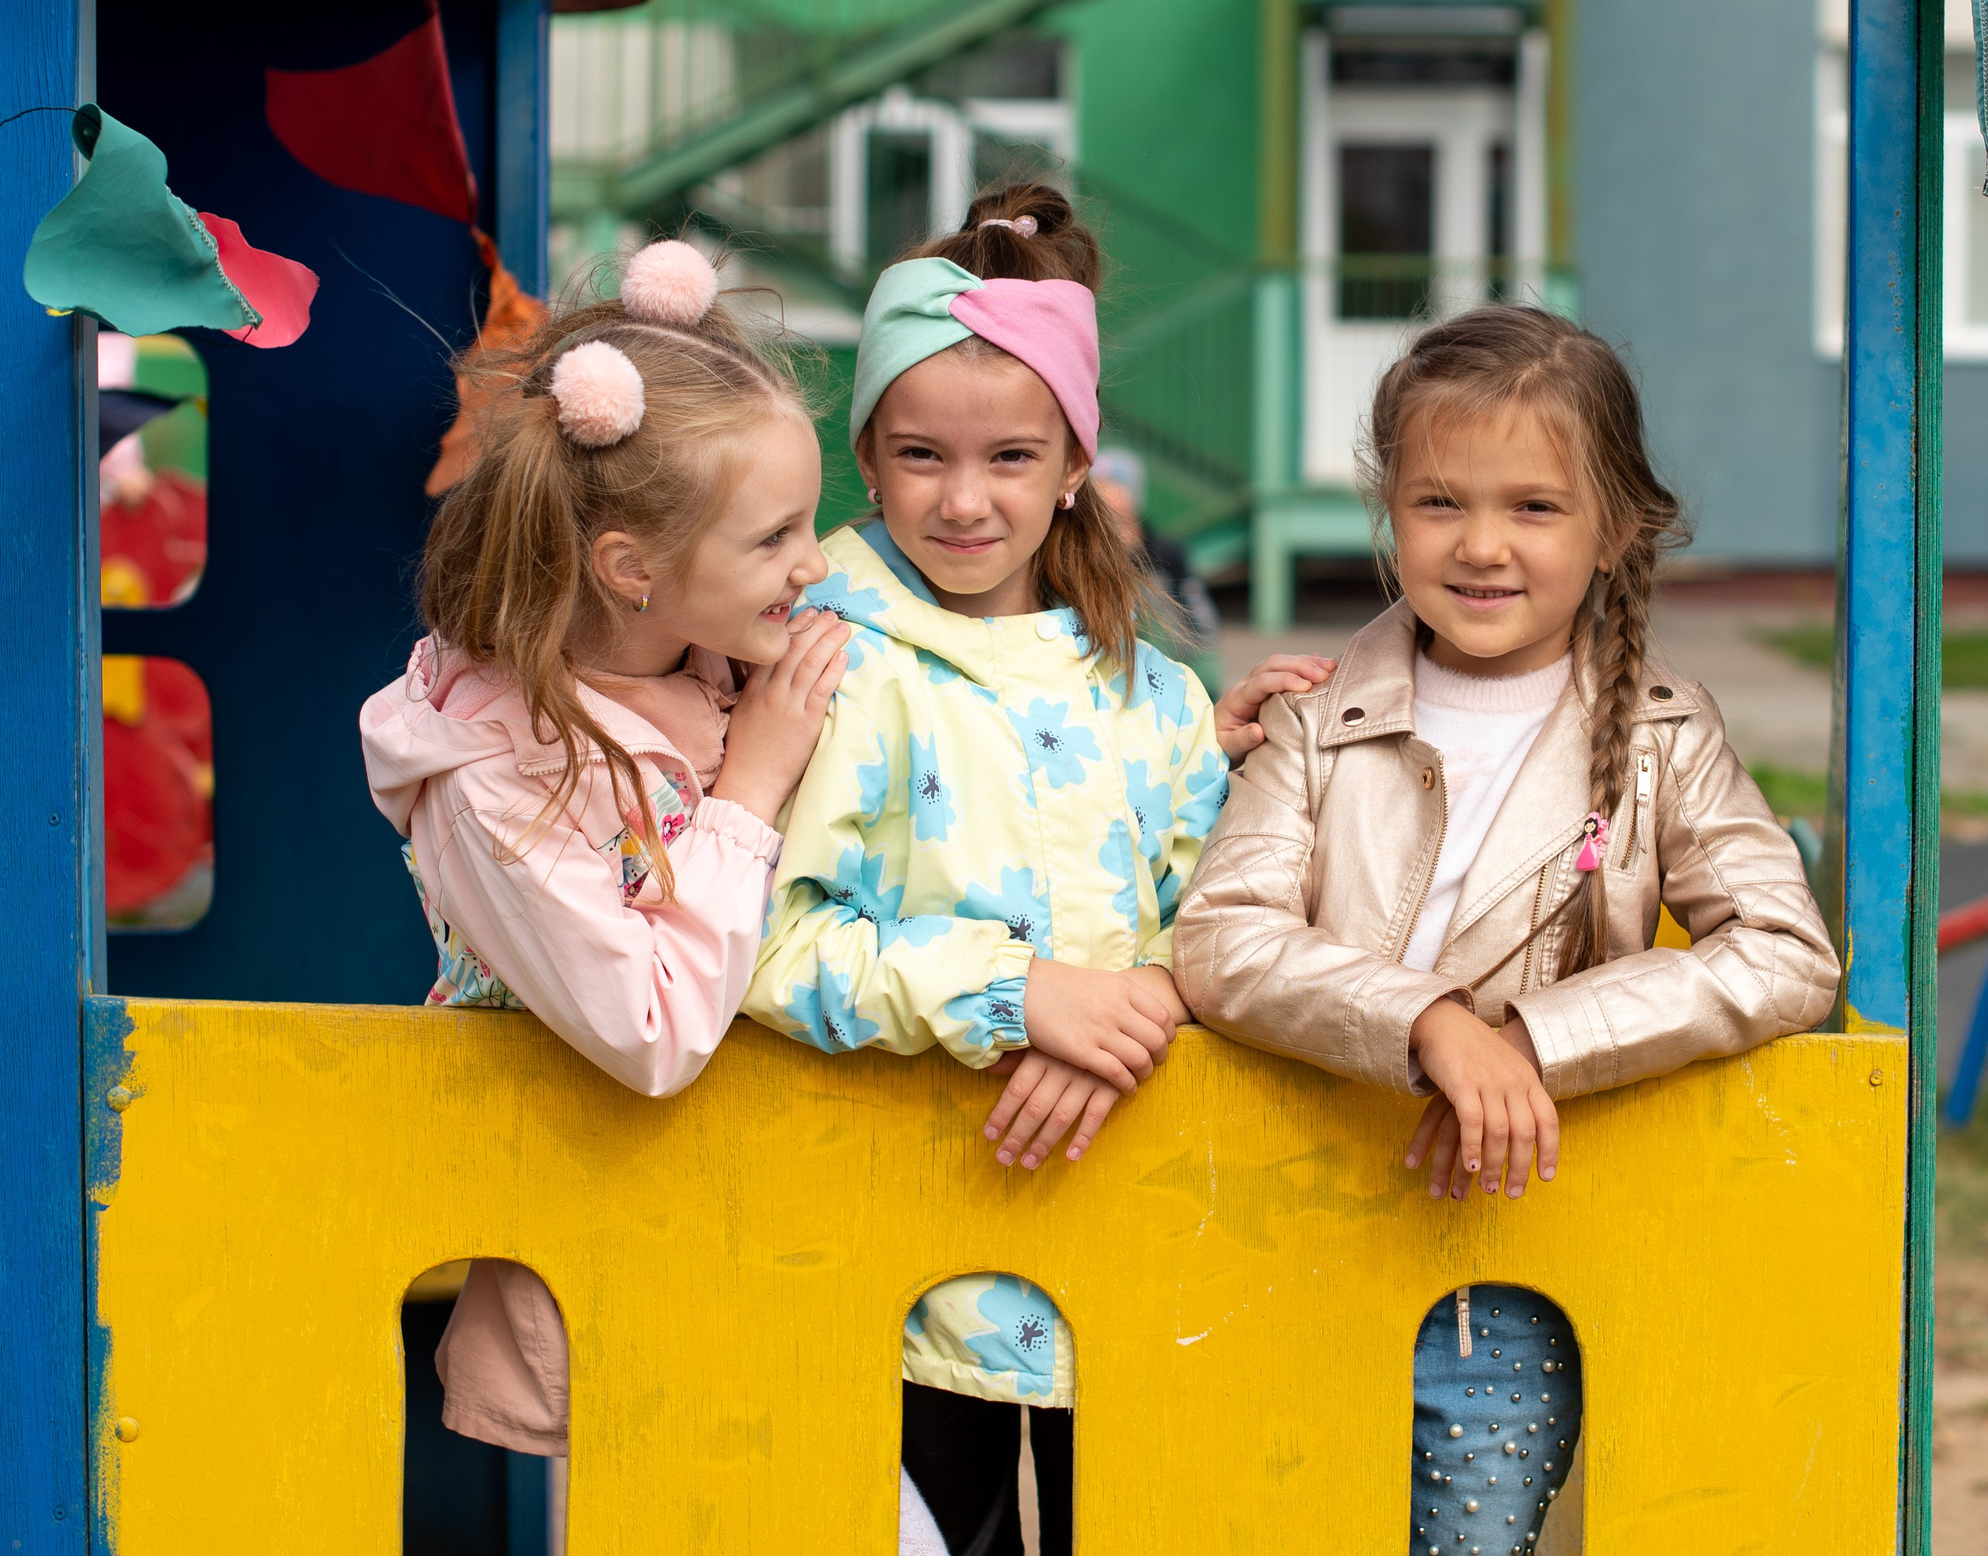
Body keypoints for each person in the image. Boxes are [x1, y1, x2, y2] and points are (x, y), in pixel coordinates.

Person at [1172, 304, 1841, 1556]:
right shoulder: (1316, 728)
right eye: (1438, 503)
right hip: (1280, 1237)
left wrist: (1538, 1037)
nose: (1481, 546)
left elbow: (1784, 950)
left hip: (1508, 1278)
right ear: (1386, 511)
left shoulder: (1662, 739)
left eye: (1533, 506)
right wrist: (1424, 1022)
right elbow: (1219, 939)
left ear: (1616, 527)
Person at [739, 185, 1322, 1556]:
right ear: (865, 460)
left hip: (1126, 1228)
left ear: (1074, 463)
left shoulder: (1151, 686)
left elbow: (1227, 917)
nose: (964, 496)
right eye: (920, 453)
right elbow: (765, 938)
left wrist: (1138, 1005)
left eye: (1011, 455)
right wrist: (1018, 993)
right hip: (898, 1240)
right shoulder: (823, 653)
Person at [358, 240, 939, 1529]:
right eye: (776, 532)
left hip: (780, 1231)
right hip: (611, 1255)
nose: (815, 560)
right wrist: (753, 788)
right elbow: (651, 1028)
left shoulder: (715, 661)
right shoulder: (494, 778)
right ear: (629, 565)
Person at [1088, 446, 1221, 689]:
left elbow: (1196, 611)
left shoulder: (1165, 553)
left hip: (1168, 665)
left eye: (1112, 484)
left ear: (1133, 491)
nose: (1103, 493)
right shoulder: (1082, 554)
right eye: (1096, 485)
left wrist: (1204, 672)